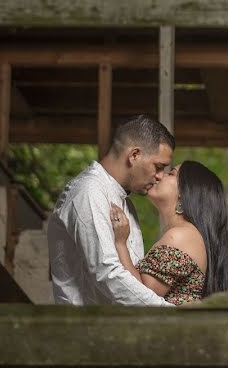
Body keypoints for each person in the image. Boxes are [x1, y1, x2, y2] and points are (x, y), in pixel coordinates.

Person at [47, 115, 175, 306]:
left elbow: (131, 278)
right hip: (85, 329)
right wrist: (171, 314)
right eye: (158, 166)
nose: (160, 176)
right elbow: (107, 273)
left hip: (115, 328)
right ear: (134, 155)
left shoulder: (125, 202)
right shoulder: (89, 191)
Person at [110, 160, 228, 305]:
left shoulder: (181, 236)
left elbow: (140, 296)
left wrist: (120, 243)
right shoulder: (186, 235)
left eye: (171, 173)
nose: (159, 176)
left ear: (185, 192)